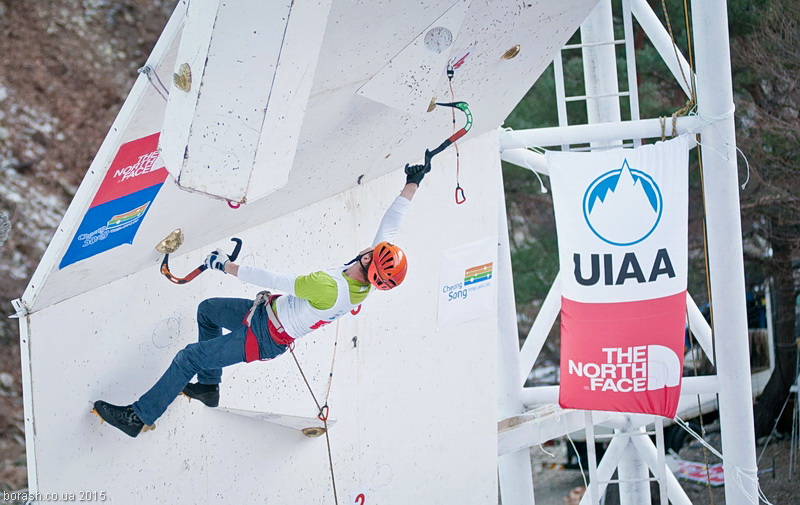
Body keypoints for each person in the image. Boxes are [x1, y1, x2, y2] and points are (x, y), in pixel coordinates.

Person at [93, 164, 430, 437]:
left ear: (369, 262)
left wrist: (223, 265)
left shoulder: (328, 286)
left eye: (372, 252)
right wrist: (413, 182)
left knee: (187, 358)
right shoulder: (366, 281)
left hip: (263, 336)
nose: (370, 247)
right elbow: (389, 227)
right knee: (207, 311)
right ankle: (209, 388)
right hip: (265, 315)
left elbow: (273, 279)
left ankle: (139, 418)